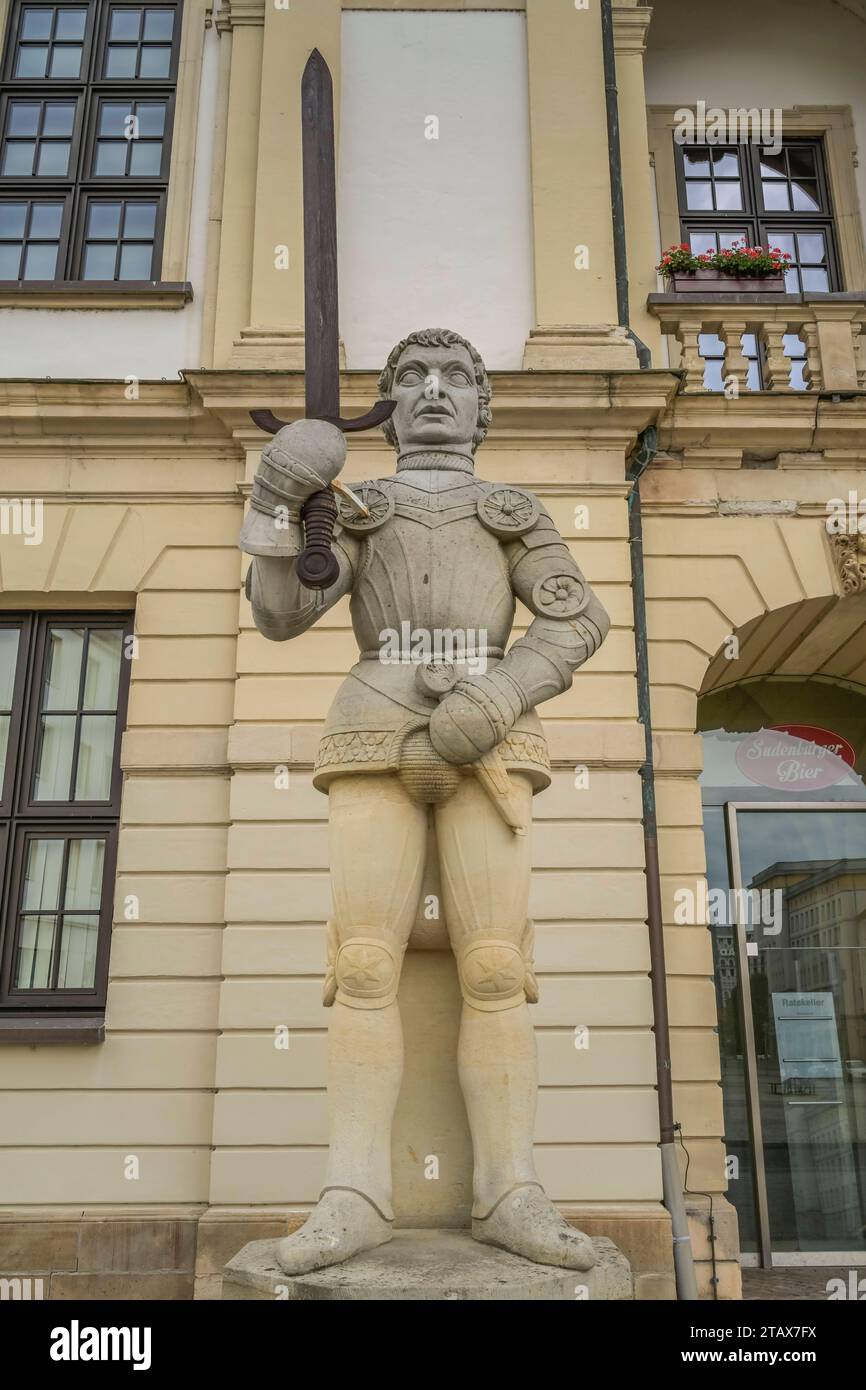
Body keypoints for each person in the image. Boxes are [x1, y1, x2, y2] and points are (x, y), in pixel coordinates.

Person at [240, 328, 610, 1274]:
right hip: (374, 719)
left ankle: (509, 1189)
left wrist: (498, 692)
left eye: (456, 378)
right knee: (363, 961)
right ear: (388, 406)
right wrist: (279, 501)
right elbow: (282, 614)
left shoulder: (508, 507)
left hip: (489, 729)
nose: (435, 390)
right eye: (412, 378)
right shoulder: (357, 509)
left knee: (494, 966)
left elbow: (577, 616)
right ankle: (356, 1190)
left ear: (485, 407)